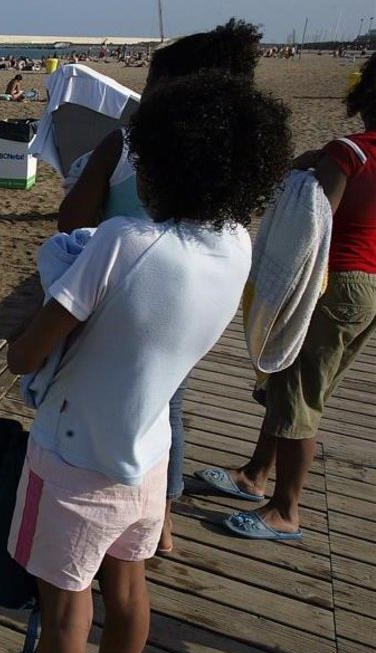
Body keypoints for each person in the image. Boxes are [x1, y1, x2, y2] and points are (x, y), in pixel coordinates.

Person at [6, 72, 290, 653]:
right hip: (149, 459)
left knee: (64, 612)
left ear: (164, 161)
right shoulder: (236, 242)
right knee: (129, 592)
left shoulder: (121, 242)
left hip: (73, 462)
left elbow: (25, 355)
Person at [57, 18, 263, 554]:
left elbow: (70, 218)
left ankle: (98, 511)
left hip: (112, 297)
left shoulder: (124, 143)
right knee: (167, 407)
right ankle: (161, 521)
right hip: (189, 309)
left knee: (100, 402)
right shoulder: (232, 162)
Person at [199, 53, 375, 542]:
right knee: (294, 388)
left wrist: (307, 171)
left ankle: (286, 510)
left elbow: (314, 224)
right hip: (368, 286)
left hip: (333, 279)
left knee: (298, 395)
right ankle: (256, 474)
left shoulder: (348, 152)